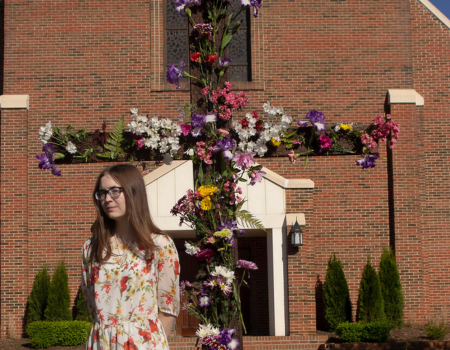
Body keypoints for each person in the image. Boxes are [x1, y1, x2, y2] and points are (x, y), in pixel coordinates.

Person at [81, 164, 180, 350]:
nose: (108, 199)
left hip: (145, 344)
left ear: (134, 192)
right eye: (102, 193)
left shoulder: (159, 246)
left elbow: (167, 309)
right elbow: (91, 302)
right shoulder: (92, 248)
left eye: (115, 191)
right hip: (102, 344)